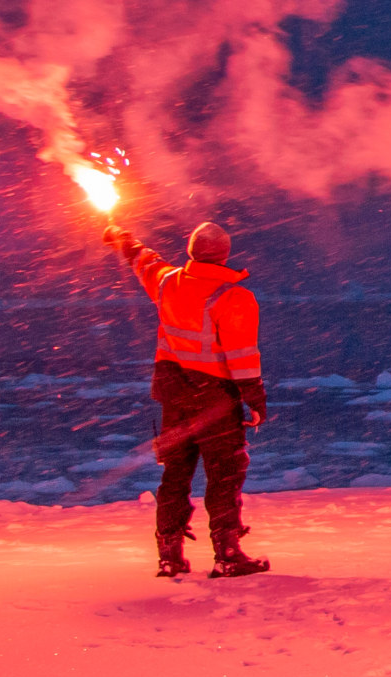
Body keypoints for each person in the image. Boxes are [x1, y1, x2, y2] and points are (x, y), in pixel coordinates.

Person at [105, 218, 271, 580]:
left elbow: (144, 262)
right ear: (225, 254)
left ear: (191, 251)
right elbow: (242, 357)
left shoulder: (168, 282)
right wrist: (255, 400)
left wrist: (122, 238)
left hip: (174, 396)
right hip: (215, 401)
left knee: (175, 475)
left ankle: (169, 556)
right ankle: (227, 554)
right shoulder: (234, 297)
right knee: (224, 476)